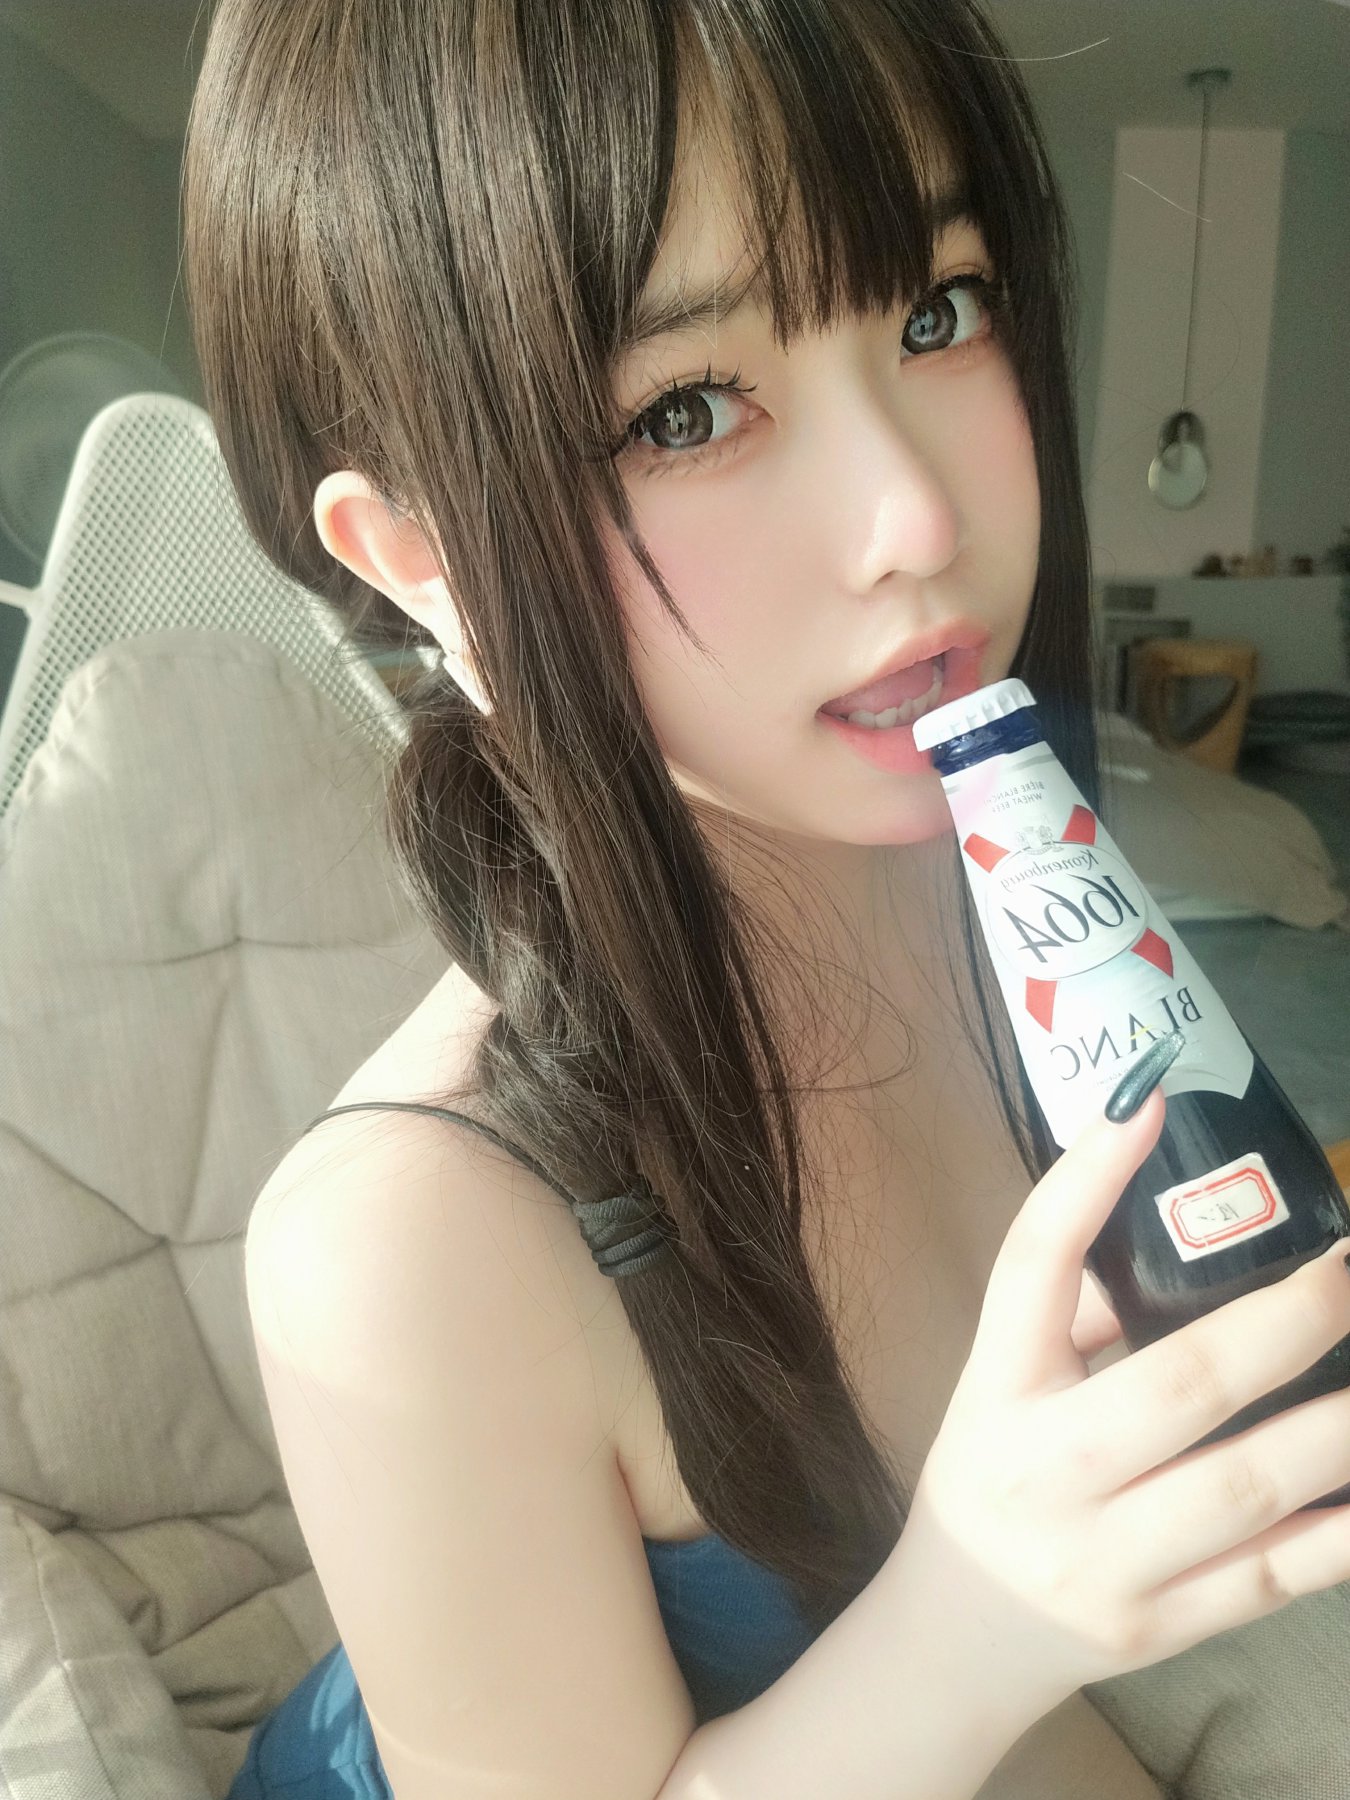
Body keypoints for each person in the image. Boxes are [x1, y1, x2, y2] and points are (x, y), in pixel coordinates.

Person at [182, 2, 1350, 1796]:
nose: (914, 519)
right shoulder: (407, 1245)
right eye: (686, 410)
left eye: (937, 310)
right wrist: (973, 1624)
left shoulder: (1008, 896)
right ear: (422, 559)